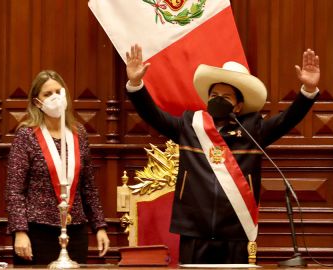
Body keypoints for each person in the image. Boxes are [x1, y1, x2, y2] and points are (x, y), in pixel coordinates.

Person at [124, 44, 320, 264]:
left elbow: (288, 119)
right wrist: (135, 85)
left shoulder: (253, 129)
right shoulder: (190, 124)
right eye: (214, 94)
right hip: (194, 229)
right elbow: (153, 116)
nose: (218, 99)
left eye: (226, 97)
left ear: (238, 106)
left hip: (235, 230)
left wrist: (308, 92)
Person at [6, 70, 109, 265]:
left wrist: (100, 227)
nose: (55, 97)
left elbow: (89, 187)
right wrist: (20, 231)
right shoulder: (26, 135)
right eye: (47, 94)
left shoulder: (79, 132)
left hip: (75, 229)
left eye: (58, 92)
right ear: (37, 102)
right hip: (37, 231)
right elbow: (15, 190)